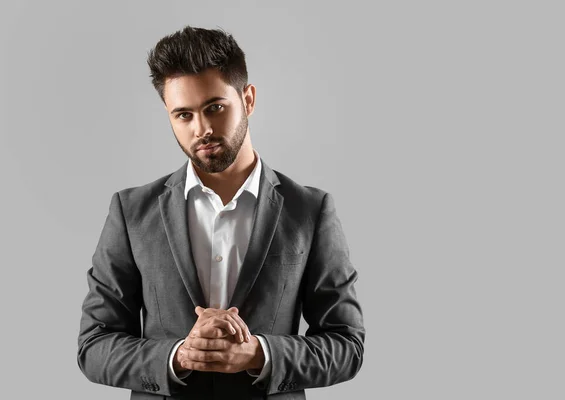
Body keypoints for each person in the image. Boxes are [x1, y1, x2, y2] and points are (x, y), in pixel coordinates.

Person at [77, 26, 365, 400]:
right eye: (183, 115)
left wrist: (259, 354)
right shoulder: (131, 212)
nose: (203, 129)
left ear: (248, 99)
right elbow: (94, 345)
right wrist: (178, 356)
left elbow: (347, 345)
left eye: (215, 107)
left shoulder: (309, 210)